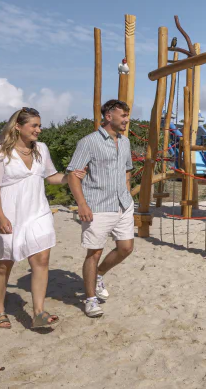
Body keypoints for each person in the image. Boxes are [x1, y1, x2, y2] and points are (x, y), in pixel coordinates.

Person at [0, 107, 84, 330]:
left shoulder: (42, 149)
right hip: (8, 213)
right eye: (34, 125)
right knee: (3, 265)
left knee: (41, 260)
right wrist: (0, 216)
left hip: (37, 211)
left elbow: (51, 177)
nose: (39, 130)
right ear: (18, 127)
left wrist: (70, 177)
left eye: (40, 125)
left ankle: (38, 312)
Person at [67, 100, 135, 318]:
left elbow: (127, 170)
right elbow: (72, 175)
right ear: (108, 116)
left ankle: (98, 275)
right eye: (122, 115)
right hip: (97, 205)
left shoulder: (125, 142)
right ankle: (90, 300)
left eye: (127, 115)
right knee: (94, 252)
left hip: (123, 204)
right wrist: (82, 204)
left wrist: (127, 192)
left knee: (126, 248)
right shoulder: (88, 142)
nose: (126, 119)